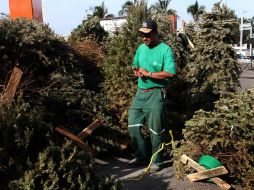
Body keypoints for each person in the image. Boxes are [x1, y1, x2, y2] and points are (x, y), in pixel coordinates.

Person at [128, 19, 176, 172]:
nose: (144, 38)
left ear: (155, 33)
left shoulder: (165, 50)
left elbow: (170, 73)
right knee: (132, 125)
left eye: (147, 35)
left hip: (156, 93)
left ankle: (157, 160)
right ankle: (141, 155)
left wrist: (149, 73)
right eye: (142, 35)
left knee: (156, 130)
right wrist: (136, 70)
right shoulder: (141, 48)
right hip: (140, 94)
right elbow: (134, 64)